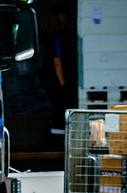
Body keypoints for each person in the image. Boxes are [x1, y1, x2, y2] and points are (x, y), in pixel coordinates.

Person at [42, 5, 70, 134]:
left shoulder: (49, 34)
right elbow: (57, 61)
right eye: (65, 15)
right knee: (60, 105)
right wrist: (63, 83)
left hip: (47, 77)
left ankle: (55, 130)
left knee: (56, 106)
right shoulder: (58, 36)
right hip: (54, 79)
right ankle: (58, 132)